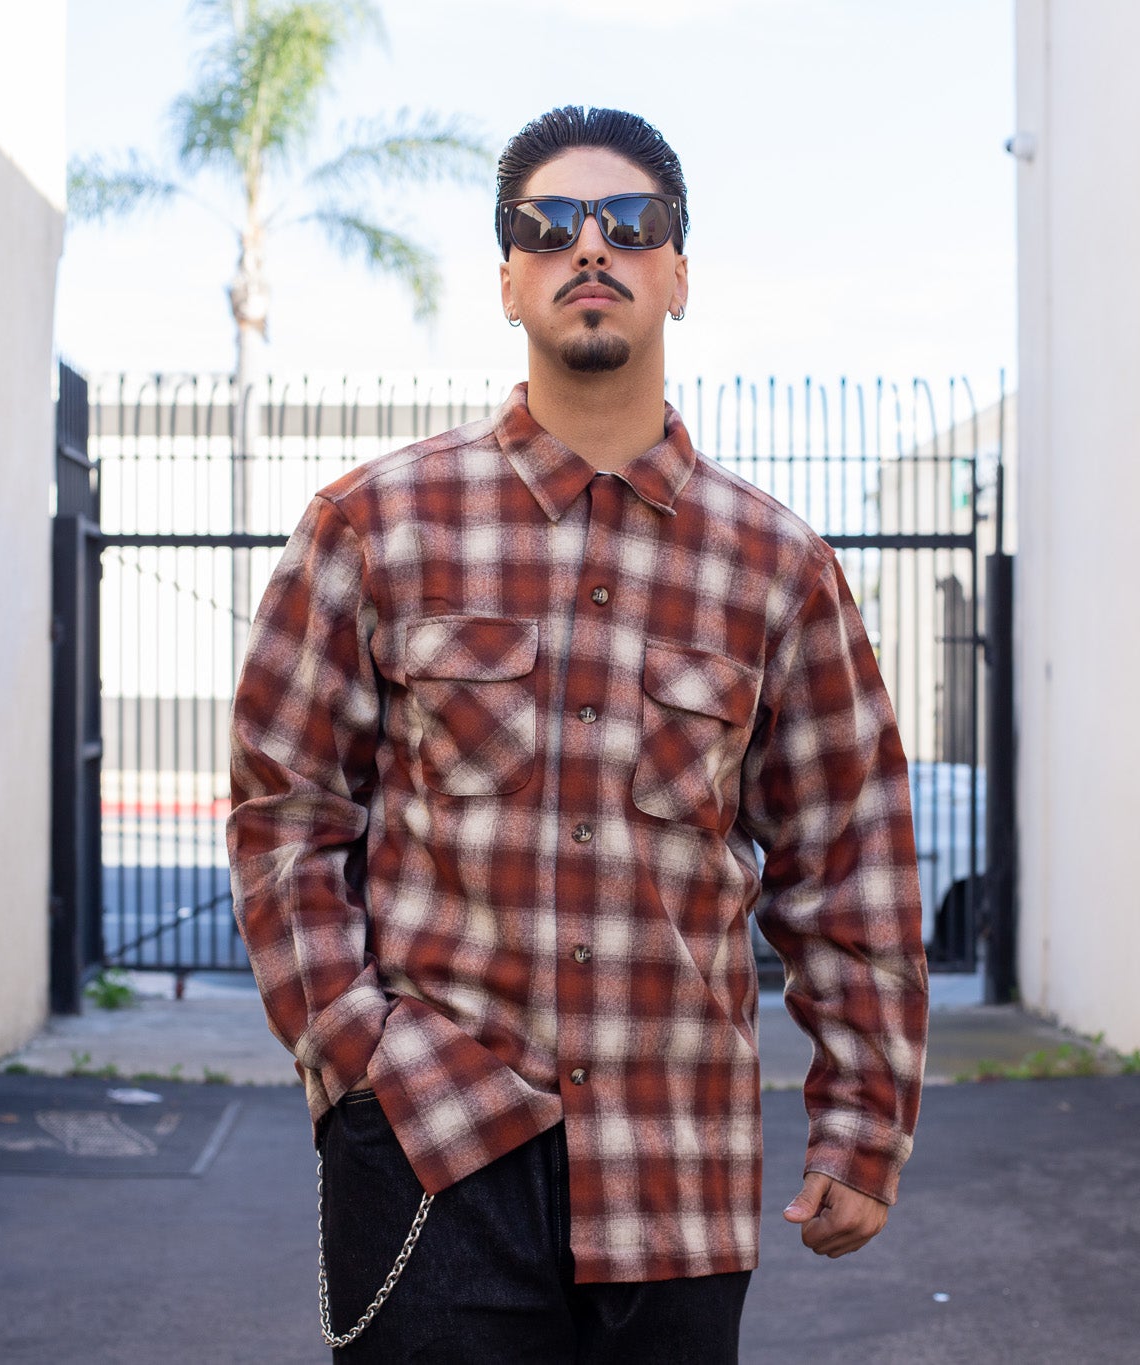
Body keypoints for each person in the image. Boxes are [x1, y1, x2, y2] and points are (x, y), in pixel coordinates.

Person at [227, 104, 928, 1363]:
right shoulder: (372, 527)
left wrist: (861, 1123)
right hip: (432, 1146)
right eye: (545, 226)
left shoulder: (776, 567)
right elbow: (286, 813)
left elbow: (848, 861)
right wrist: (356, 1057)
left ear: (677, 274)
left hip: (678, 1164)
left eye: (629, 223)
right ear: (507, 280)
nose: (587, 245)